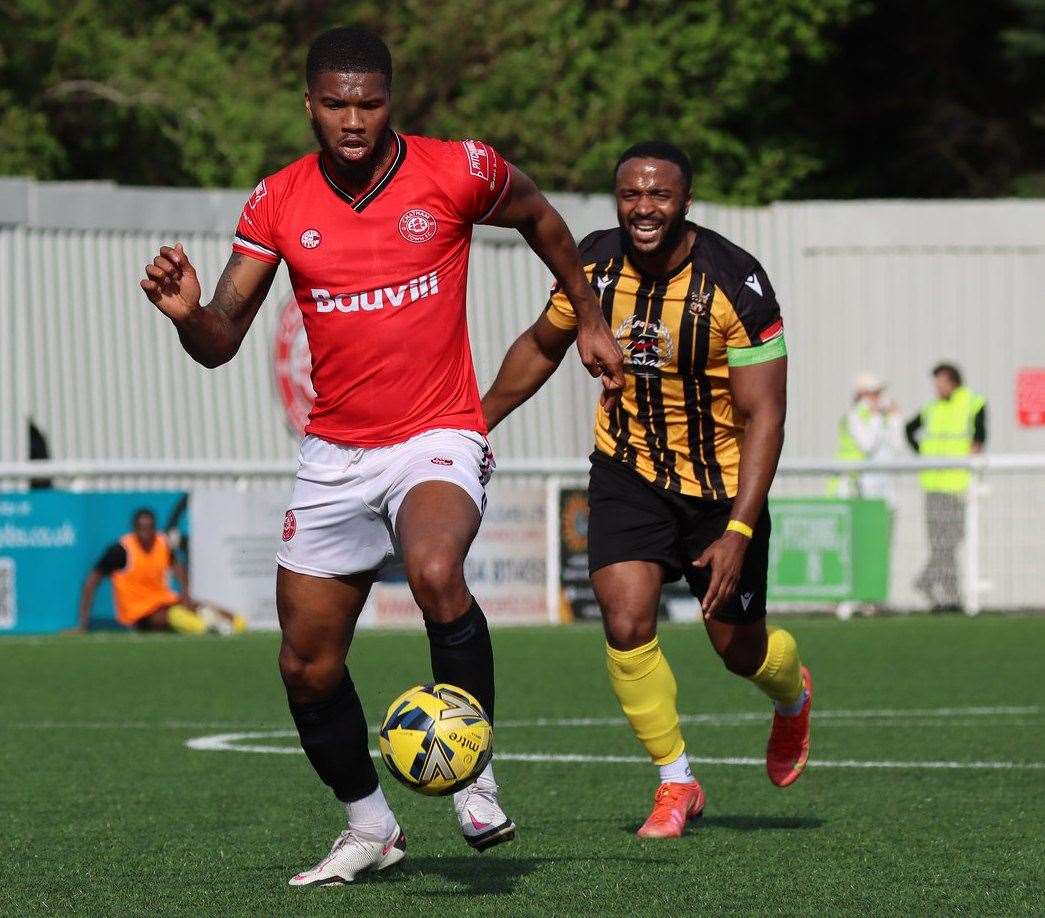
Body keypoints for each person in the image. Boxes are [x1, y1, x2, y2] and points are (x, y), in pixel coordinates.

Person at [139, 27, 623, 886]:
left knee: (436, 569)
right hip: (334, 454)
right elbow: (220, 341)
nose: (353, 120)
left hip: (437, 433)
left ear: (391, 100)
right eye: (335, 104)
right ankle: (370, 826)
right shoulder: (277, 202)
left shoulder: (458, 170)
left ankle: (474, 778)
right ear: (310, 105)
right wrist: (186, 315)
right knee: (305, 661)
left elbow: (544, 218)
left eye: (369, 103)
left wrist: (586, 312)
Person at [482, 141, 812, 839]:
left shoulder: (735, 283)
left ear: (684, 201)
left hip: (721, 495)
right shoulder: (594, 264)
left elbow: (764, 417)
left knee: (738, 651)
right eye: (630, 193)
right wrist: (473, 424)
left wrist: (739, 531)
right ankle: (675, 780)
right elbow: (543, 345)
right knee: (626, 621)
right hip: (627, 473)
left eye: (658, 195)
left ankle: (792, 695)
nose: (643, 207)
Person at [76, 508, 245, 634]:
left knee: (198, 606)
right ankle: (207, 628)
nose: (146, 533)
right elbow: (93, 579)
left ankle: (236, 623)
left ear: (154, 528)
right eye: (141, 528)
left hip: (164, 600)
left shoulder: (162, 543)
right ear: (134, 529)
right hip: (139, 613)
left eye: (149, 528)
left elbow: (178, 568)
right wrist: (83, 621)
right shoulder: (121, 551)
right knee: (175, 615)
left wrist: (185, 594)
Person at [905, 363, 986, 612]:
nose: (937, 388)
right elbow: (909, 429)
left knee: (952, 542)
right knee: (939, 544)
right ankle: (949, 597)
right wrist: (924, 456)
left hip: (958, 485)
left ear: (953, 381)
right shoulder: (931, 408)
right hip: (933, 485)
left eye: (941, 382)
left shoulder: (973, 402)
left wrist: (972, 460)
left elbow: (979, 438)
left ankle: (931, 584)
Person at [831, 372, 904, 502]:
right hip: (851, 482)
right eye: (873, 393)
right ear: (861, 395)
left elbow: (898, 446)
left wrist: (895, 418)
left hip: (879, 483)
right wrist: (875, 416)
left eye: (879, 393)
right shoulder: (853, 416)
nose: (878, 397)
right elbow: (868, 446)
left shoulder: (883, 417)